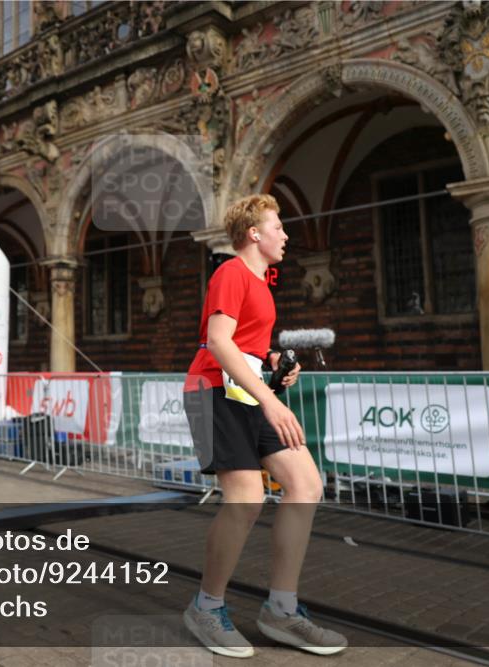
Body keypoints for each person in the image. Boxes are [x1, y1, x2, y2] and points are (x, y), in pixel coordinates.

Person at [182, 194, 347, 658]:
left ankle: (281, 609)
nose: (286, 235)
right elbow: (216, 341)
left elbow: (243, 343)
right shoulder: (231, 271)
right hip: (213, 390)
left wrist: (276, 361)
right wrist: (272, 399)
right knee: (246, 499)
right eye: (278, 227)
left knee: (306, 484)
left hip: (248, 389)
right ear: (254, 233)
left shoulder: (261, 282)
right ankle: (206, 607)